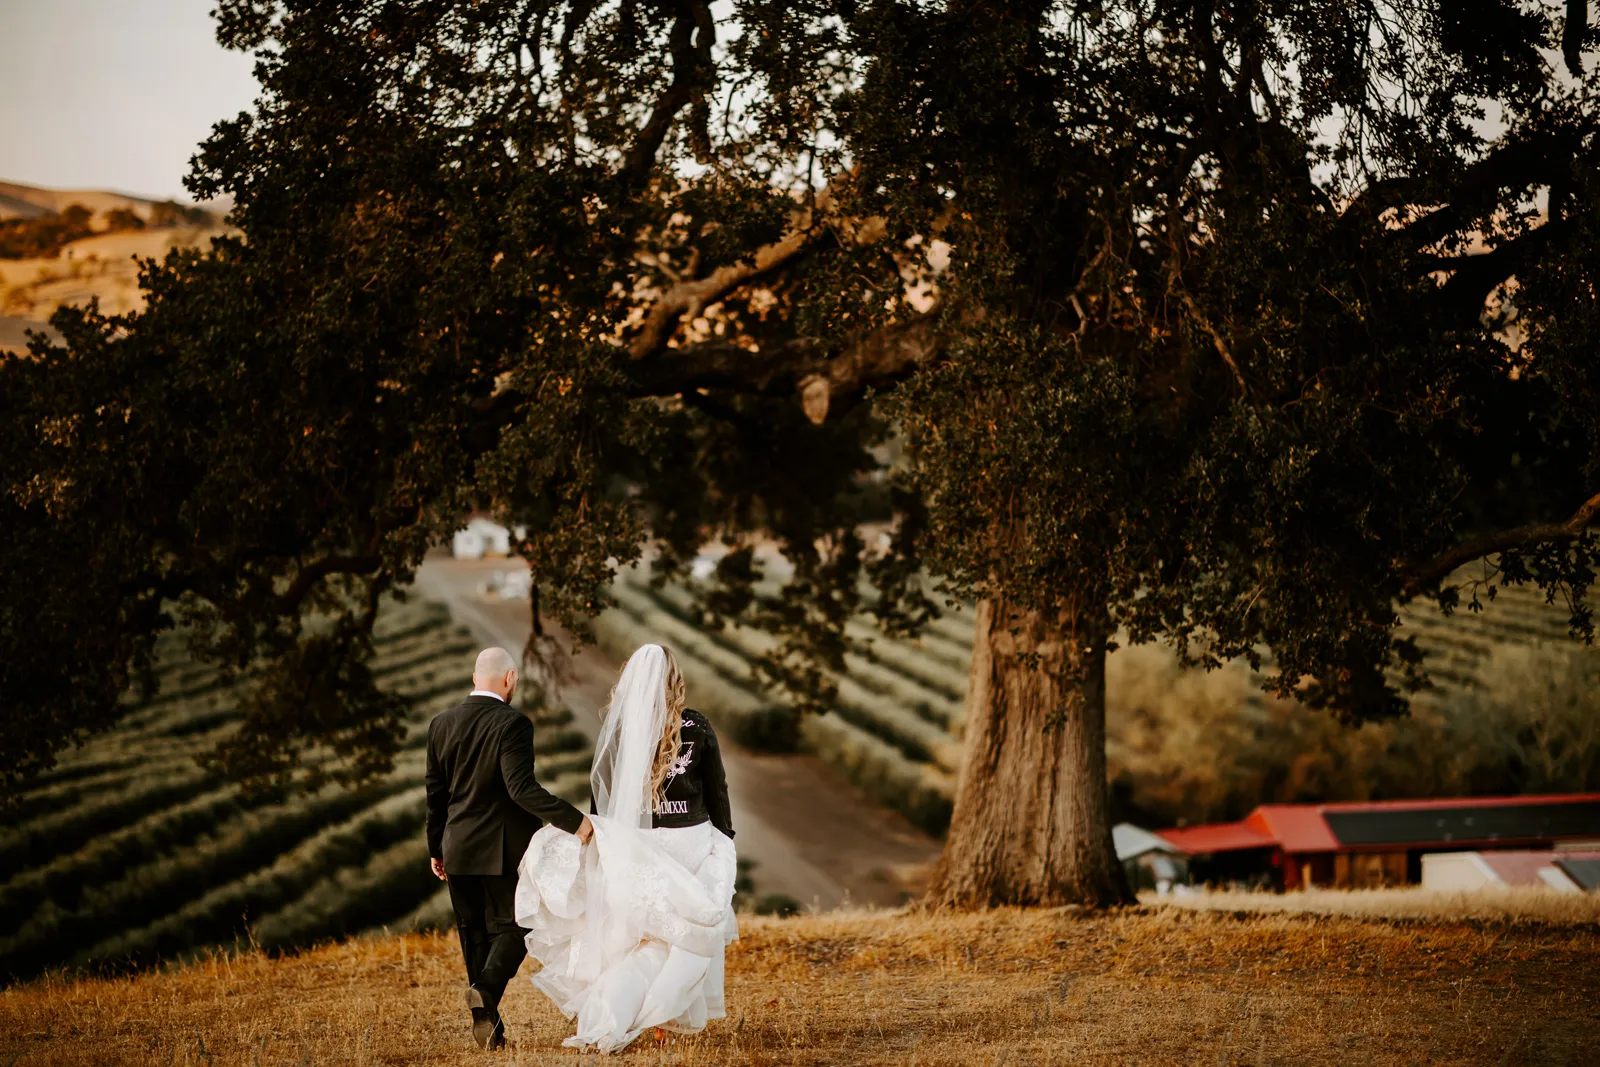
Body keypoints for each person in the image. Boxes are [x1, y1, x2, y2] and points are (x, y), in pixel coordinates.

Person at [514, 643, 738, 1053]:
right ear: (675, 681)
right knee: (684, 941)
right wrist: (725, 840)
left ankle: (609, 1017)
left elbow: (604, 800)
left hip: (642, 847)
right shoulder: (696, 726)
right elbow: (716, 789)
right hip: (690, 844)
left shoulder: (621, 730)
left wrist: (607, 846)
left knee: (646, 942)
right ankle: (661, 1017)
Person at [425, 646, 594, 1050]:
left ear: (473, 678)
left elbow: (435, 795)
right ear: (511, 678)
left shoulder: (440, 724)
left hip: (457, 847)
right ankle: (484, 989)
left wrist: (436, 848)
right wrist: (576, 821)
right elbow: (521, 790)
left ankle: (490, 1029)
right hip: (503, 848)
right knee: (520, 924)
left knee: (473, 934)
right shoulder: (513, 724)